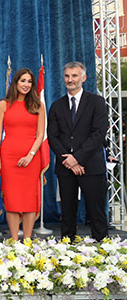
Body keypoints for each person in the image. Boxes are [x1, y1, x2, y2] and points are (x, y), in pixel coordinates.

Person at [48, 61, 108, 241]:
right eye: (67, 76)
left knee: (96, 212)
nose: (70, 80)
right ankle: (67, 251)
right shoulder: (56, 105)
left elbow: (98, 134)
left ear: (84, 77)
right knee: (67, 213)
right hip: (65, 167)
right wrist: (69, 160)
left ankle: (103, 250)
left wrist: (78, 158)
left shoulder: (97, 102)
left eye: (74, 76)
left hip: (91, 165)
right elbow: (52, 136)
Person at [0, 69, 45, 241]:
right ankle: (14, 241)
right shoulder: (3, 105)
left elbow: (40, 135)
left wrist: (30, 155)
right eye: (23, 81)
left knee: (30, 200)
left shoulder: (38, 106)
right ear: (15, 82)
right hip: (9, 158)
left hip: (31, 158)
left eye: (29, 81)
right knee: (12, 200)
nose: (26, 85)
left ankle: (27, 241)